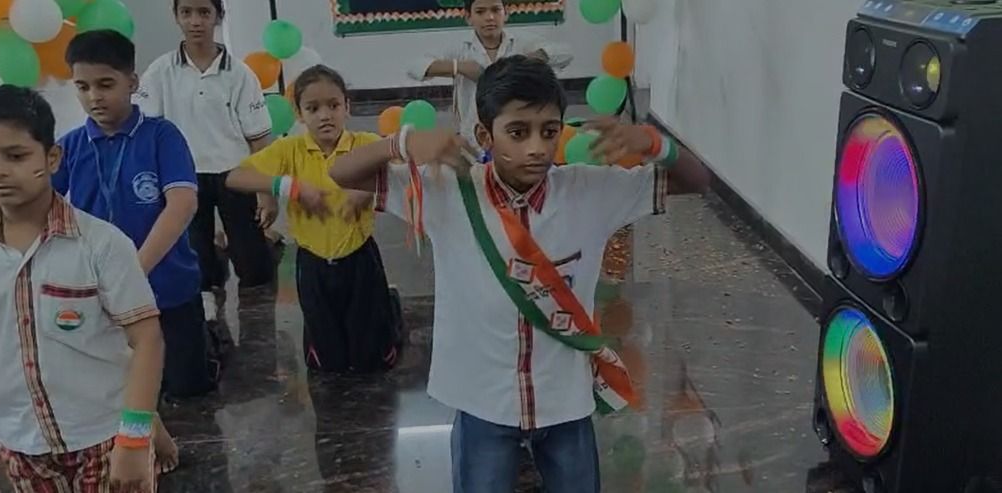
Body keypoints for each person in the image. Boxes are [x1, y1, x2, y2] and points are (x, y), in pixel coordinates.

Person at [331, 55, 711, 491]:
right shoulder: (447, 191)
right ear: (484, 135)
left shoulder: (589, 191)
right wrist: (401, 142)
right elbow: (340, 173)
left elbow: (696, 181)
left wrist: (653, 143)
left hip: (565, 398)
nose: (536, 148)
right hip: (483, 399)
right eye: (517, 132)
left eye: (549, 132)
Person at [0, 85, 163, 493]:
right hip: (19, 443)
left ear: (51, 158)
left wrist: (136, 436)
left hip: (106, 436)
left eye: (16, 156)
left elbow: (146, 339)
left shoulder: (101, 244)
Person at [55, 29, 221, 472]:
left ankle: (210, 340)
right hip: (105, 298)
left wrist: (134, 269)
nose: (94, 97)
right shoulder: (69, 147)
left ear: (132, 82)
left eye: (106, 84)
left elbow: (182, 204)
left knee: (188, 388)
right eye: (83, 86)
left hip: (168, 285)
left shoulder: (162, 136)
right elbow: (40, 205)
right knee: (122, 381)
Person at [226, 65, 401, 373]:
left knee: (370, 359)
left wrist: (365, 191)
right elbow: (236, 177)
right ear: (299, 113)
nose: (325, 116)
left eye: (334, 106)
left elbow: (399, 167)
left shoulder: (364, 143)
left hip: (359, 258)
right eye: (313, 108)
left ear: (347, 107)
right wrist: (288, 187)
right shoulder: (290, 149)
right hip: (312, 262)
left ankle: (391, 308)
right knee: (328, 363)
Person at [137, 0, 276, 322]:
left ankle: (257, 327)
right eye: (186, 12)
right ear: (176, 16)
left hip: (235, 175)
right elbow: (147, 131)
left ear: (218, 16)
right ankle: (212, 325)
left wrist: (266, 192)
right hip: (183, 179)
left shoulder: (239, 74)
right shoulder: (159, 72)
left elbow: (258, 139)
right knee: (197, 266)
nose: (195, 21)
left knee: (253, 266)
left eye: (204, 12)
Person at [407, 0, 573, 146]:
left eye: (496, 10)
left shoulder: (521, 43)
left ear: (506, 13)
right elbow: (415, 67)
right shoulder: (460, 48)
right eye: (480, 12)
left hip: (516, 135)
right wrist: (459, 67)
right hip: (471, 138)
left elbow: (565, 53)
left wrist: (531, 59)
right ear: (468, 17)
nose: (490, 17)